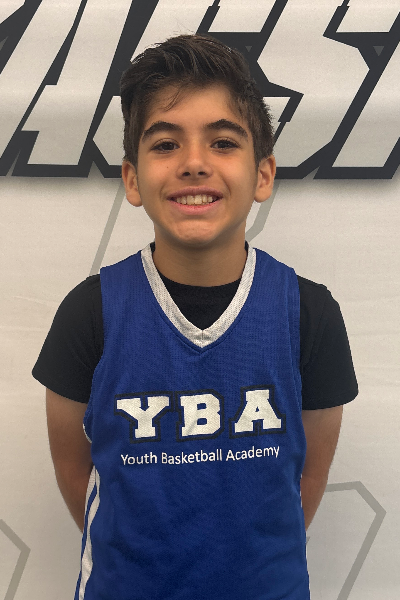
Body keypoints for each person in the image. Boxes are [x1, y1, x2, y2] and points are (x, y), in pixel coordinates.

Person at [33, 34, 358, 600]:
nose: (194, 164)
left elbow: (306, 477)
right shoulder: (90, 313)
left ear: (263, 174)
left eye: (223, 142)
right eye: (165, 144)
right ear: (133, 179)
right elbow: (73, 467)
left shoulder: (310, 314)